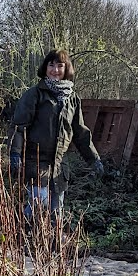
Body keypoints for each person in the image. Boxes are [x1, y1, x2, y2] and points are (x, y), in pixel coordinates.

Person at [8, 49, 104, 225]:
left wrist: (94, 159)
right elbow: (18, 127)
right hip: (36, 161)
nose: (55, 70)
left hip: (60, 166)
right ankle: (21, 239)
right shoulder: (34, 95)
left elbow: (80, 132)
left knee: (55, 212)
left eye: (60, 66)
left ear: (66, 69)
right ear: (45, 68)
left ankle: (53, 248)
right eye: (51, 65)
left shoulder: (72, 99)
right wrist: (15, 154)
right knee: (38, 205)